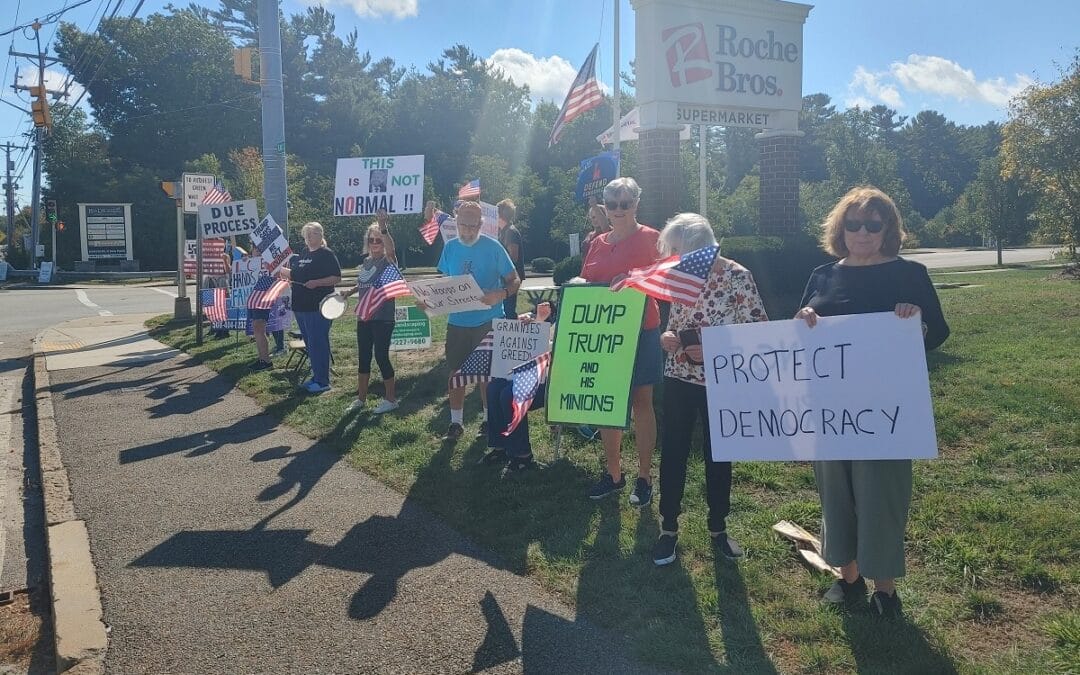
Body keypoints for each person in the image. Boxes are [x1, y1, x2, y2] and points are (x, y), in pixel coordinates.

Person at [794, 186, 949, 618]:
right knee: (836, 491)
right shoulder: (823, 275)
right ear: (840, 227)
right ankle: (847, 578)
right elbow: (798, 332)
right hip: (829, 408)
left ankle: (885, 589)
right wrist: (803, 319)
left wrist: (914, 323)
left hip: (885, 409)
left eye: (872, 224)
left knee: (881, 492)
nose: (862, 232)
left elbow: (937, 333)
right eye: (854, 223)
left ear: (888, 229)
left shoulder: (909, 274)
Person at [651, 213, 768, 566]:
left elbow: (758, 330)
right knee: (673, 450)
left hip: (721, 377)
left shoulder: (737, 277)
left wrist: (715, 346)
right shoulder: (680, 275)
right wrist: (667, 338)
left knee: (719, 453)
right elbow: (675, 323)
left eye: (680, 251)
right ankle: (668, 528)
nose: (675, 259)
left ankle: (718, 527)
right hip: (678, 374)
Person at [579, 177, 663, 505]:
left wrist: (634, 281)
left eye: (624, 203)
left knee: (642, 403)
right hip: (604, 335)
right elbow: (587, 283)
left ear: (636, 204)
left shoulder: (653, 239)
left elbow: (665, 284)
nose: (618, 210)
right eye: (612, 204)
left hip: (642, 330)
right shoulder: (598, 242)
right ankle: (613, 474)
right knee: (607, 403)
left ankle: (645, 477)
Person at [430, 200, 520, 442]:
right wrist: (428, 299)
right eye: (463, 225)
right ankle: (456, 423)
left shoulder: (494, 247)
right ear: (456, 223)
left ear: (481, 224)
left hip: (488, 319)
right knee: (456, 372)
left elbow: (515, 279)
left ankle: (488, 420)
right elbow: (443, 284)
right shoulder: (450, 248)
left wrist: (501, 294)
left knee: (486, 374)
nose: (467, 230)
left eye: (472, 225)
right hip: (458, 321)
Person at [482, 302, 553, 476]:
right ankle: (501, 447)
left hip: (556, 383)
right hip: (534, 377)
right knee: (494, 388)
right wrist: (535, 323)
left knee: (510, 395)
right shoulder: (554, 324)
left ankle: (523, 456)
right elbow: (539, 344)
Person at [276, 222, 342, 394]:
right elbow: (294, 275)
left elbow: (336, 277)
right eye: (307, 234)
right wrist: (278, 269)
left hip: (318, 306)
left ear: (320, 235)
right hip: (300, 305)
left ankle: (323, 381)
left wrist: (317, 283)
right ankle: (316, 376)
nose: (309, 237)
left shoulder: (326, 254)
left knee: (318, 342)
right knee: (310, 343)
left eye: (312, 233)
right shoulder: (303, 254)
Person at [342, 222, 400, 414]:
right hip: (364, 316)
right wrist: (348, 292)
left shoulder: (388, 260)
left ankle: (391, 399)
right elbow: (363, 283)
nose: (375, 243)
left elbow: (391, 249)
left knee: (381, 356)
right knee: (364, 356)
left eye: (378, 239)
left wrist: (384, 228)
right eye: (371, 239)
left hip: (383, 316)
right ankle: (361, 398)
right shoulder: (366, 262)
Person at [248, 240, 286, 371]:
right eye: (254, 246)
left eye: (259, 247)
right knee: (257, 328)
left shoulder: (273, 258)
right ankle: (262, 358)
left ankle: (266, 361)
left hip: (265, 296)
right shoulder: (252, 259)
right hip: (254, 295)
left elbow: (280, 275)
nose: (256, 249)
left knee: (259, 327)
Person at [496, 199, 525, 319]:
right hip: (505, 276)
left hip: (511, 277)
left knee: (508, 310)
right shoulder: (503, 231)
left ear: (500, 214)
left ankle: (512, 335)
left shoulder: (510, 232)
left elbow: (513, 257)